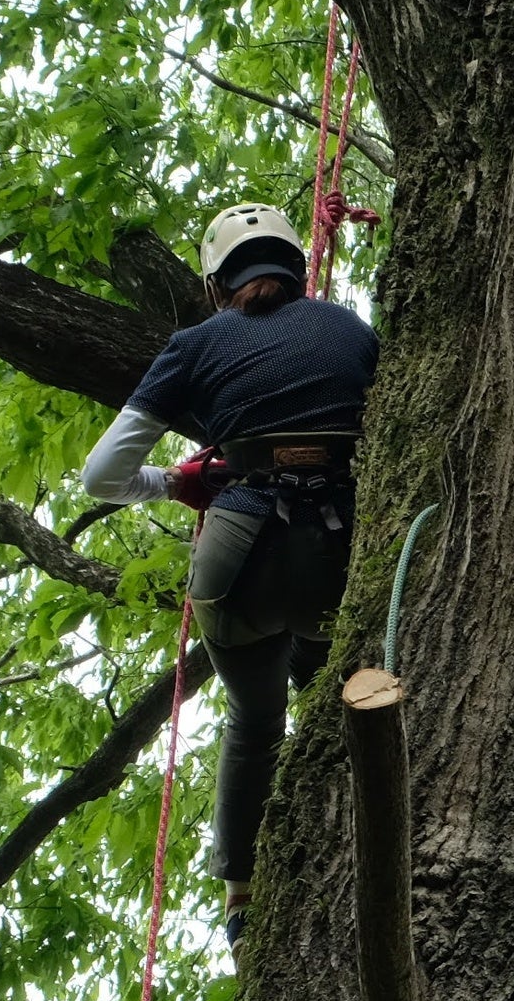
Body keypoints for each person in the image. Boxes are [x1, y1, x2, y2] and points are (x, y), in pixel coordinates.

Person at [80, 202, 378, 933]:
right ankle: (363, 835)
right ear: (297, 272)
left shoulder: (197, 343)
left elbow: (101, 475)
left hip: (237, 554)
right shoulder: (351, 329)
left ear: (218, 286)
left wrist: (173, 483)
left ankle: (243, 898)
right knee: (325, 684)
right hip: (341, 554)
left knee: (252, 720)